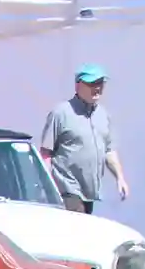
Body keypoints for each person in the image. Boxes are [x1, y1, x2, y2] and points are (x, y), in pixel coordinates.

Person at [40, 65, 128, 214]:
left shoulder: (103, 115)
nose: (97, 88)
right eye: (92, 84)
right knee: (75, 231)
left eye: (100, 83)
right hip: (67, 189)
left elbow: (109, 151)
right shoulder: (61, 113)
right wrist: (47, 185)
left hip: (90, 192)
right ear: (78, 85)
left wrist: (120, 178)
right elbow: (46, 152)